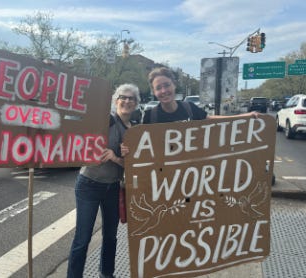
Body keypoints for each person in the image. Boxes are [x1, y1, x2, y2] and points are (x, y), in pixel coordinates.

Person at [67, 83, 141, 278]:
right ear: (116, 101)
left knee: (110, 236)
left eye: (131, 98)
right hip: (89, 185)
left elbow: (133, 166)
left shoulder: (135, 132)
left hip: (114, 188)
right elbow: (78, 120)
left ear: (136, 104)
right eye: (123, 97)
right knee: (82, 239)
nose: (126, 101)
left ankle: (106, 273)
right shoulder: (105, 120)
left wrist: (117, 157)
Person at [142, 66, 258, 124]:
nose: (163, 91)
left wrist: (246, 116)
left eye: (167, 85)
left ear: (174, 85)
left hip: (192, 169)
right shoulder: (149, 117)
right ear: (154, 91)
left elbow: (213, 120)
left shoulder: (189, 109)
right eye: (158, 88)